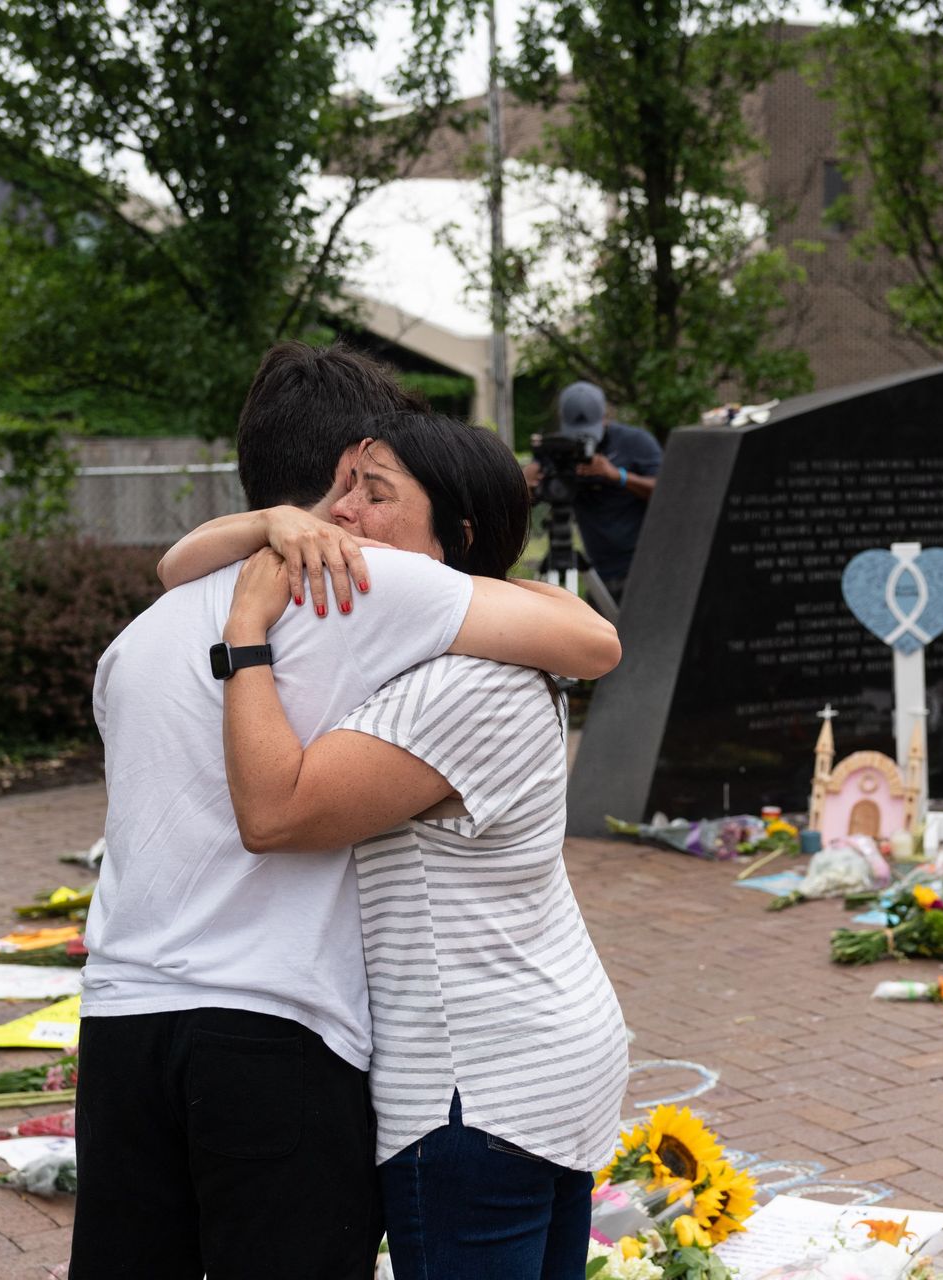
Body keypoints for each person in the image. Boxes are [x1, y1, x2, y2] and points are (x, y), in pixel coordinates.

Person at [72, 342, 619, 1280]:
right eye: (359, 484)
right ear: (335, 479)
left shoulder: (137, 636)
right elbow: (594, 640)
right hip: (276, 1026)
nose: (361, 510)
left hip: (120, 1019)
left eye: (382, 488)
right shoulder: (364, 587)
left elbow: (173, 564)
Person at [214, 410, 629, 1279]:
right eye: (347, 489)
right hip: (538, 1053)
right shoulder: (494, 644)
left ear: (457, 537)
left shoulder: (458, 685)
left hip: (475, 1089)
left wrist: (243, 639)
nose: (342, 514)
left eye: (377, 494)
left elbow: (276, 814)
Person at [524, 380, 662, 602]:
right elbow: (532, 499)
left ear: (605, 416)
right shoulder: (555, 452)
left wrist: (617, 475)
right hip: (597, 570)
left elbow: (666, 493)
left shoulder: (636, 442)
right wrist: (522, 486)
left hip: (642, 570)